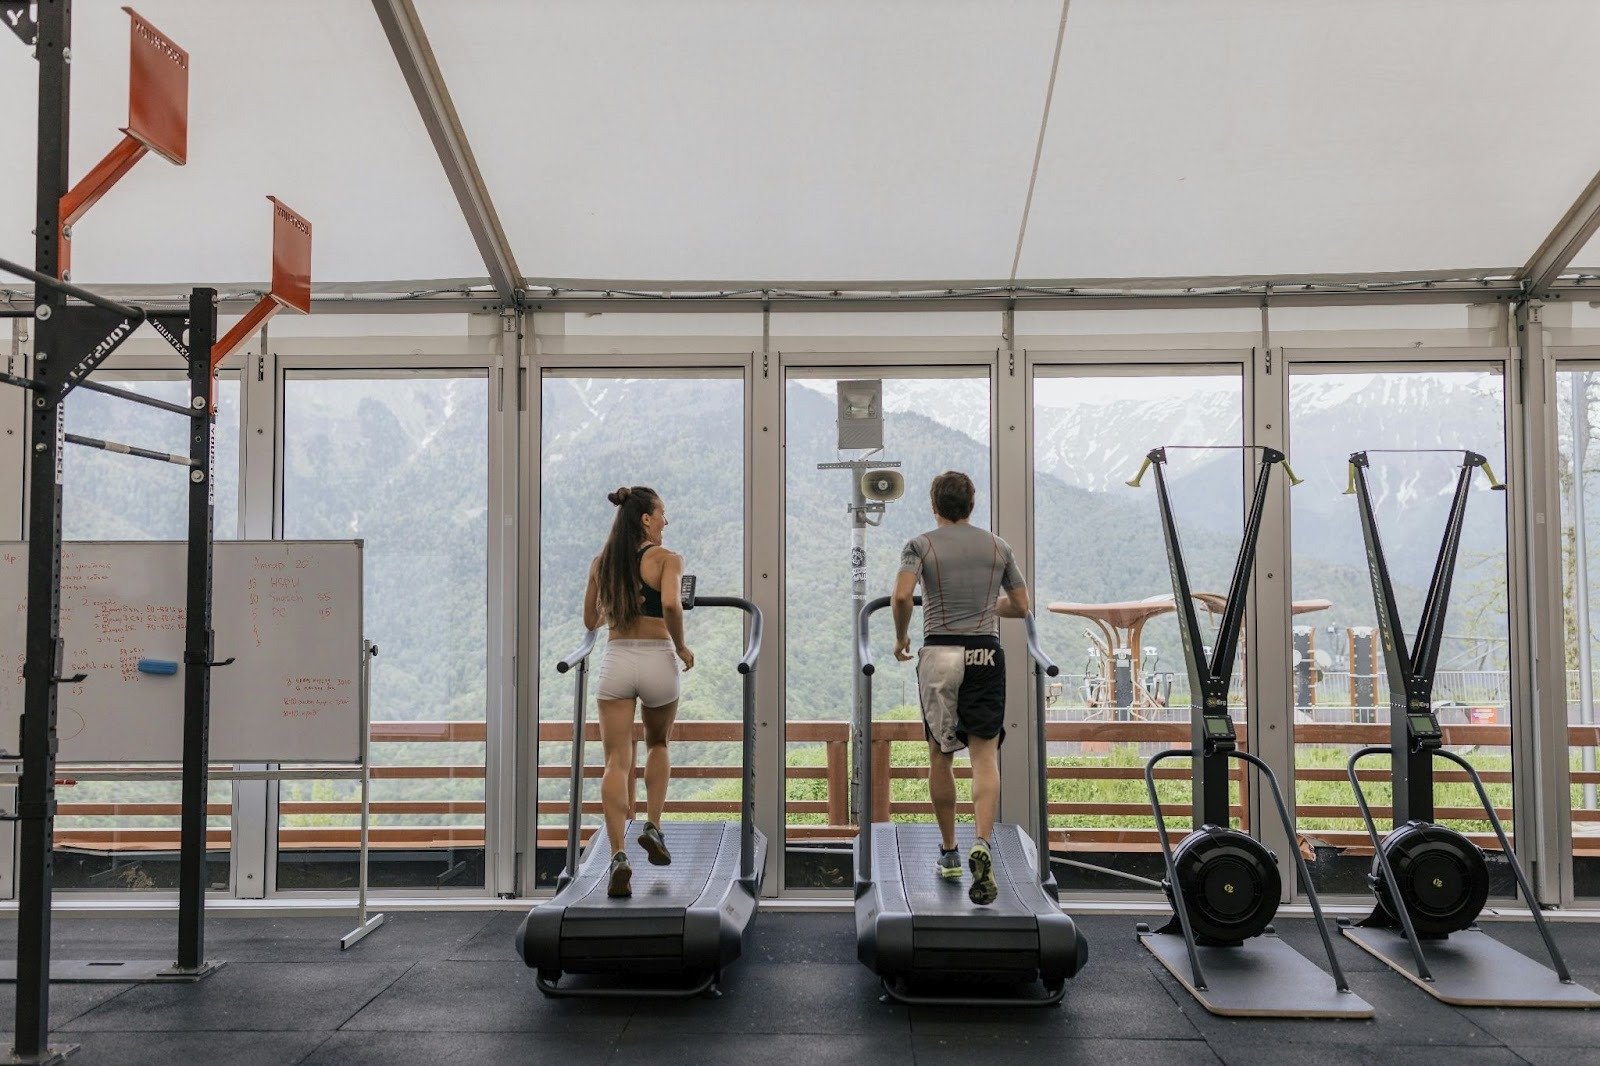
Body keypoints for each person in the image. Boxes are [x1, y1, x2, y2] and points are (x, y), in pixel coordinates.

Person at [892, 471, 1031, 906]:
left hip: (940, 653)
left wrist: (901, 637)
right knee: (984, 756)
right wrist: (989, 604)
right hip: (986, 652)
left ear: (935, 505)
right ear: (971, 505)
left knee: (941, 753)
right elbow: (1021, 606)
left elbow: (902, 596)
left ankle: (950, 852)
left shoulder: (920, 545)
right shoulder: (999, 547)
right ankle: (982, 842)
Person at [582, 485, 695, 898]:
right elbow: (671, 605)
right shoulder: (667, 559)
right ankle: (653, 826)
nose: (666, 521)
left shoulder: (602, 562)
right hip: (657, 658)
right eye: (662, 514)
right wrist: (681, 646)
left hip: (616, 659)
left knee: (616, 760)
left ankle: (618, 855)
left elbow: (591, 620)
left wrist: (618, 603)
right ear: (646, 519)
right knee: (658, 743)